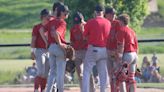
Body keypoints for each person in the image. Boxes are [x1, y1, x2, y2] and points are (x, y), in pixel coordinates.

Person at [82, 4, 111, 92]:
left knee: (86, 71)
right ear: (103, 12)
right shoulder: (108, 22)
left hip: (93, 49)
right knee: (103, 73)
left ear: (95, 12)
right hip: (105, 50)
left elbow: (84, 37)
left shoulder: (91, 22)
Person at [70, 12, 95, 92]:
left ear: (82, 20)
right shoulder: (73, 28)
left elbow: (91, 39)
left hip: (86, 51)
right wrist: (72, 51)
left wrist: (83, 31)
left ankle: (92, 90)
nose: (78, 24)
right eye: (76, 22)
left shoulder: (88, 26)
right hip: (77, 52)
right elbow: (72, 41)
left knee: (88, 72)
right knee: (79, 74)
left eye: (79, 22)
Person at [46, 4, 69, 92]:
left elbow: (44, 31)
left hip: (51, 48)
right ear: (61, 12)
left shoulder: (51, 22)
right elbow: (56, 33)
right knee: (60, 73)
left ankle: (48, 90)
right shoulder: (62, 22)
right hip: (59, 48)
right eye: (66, 12)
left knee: (52, 72)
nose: (67, 14)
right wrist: (60, 44)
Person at [115, 14, 138, 92]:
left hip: (127, 56)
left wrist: (119, 57)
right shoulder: (132, 31)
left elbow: (121, 45)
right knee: (131, 78)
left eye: (119, 21)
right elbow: (136, 46)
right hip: (134, 55)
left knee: (120, 77)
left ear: (121, 21)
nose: (118, 22)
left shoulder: (121, 30)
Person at [31, 9, 50, 92]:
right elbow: (33, 40)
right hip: (39, 51)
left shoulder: (50, 27)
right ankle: (36, 89)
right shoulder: (37, 27)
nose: (48, 17)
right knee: (40, 72)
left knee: (45, 73)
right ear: (42, 17)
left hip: (48, 51)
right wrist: (32, 51)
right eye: (47, 16)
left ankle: (42, 89)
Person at [105, 7, 121, 92]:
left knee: (117, 72)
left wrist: (118, 51)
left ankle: (118, 90)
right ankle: (113, 90)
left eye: (114, 14)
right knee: (110, 73)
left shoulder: (117, 23)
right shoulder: (104, 23)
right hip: (107, 50)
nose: (113, 15)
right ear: (106, 15)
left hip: (115, 50)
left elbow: (120, 38)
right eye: (111, 14)